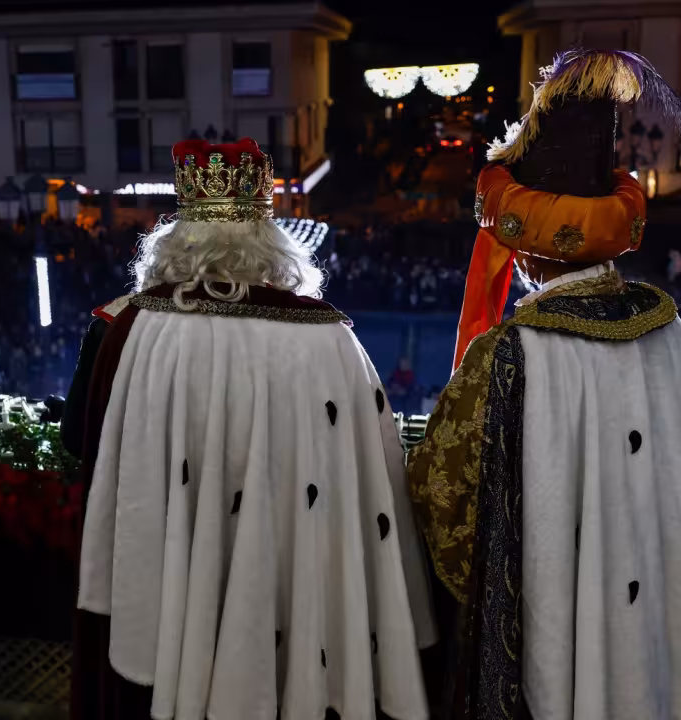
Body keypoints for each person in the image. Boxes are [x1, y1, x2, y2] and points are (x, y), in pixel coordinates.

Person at [408, 50, 681, 719]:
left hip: (553, 628)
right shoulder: (667, 327)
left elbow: (442, 500)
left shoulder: (509, 352)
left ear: (526, 249)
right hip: (655, 629)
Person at [64, 138, 436, 720]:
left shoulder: (126, 327)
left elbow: (78, 443)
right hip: (295, 581)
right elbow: (371, 479)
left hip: (171, 577)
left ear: (177, 238)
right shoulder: (333, 339)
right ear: (271, 240)